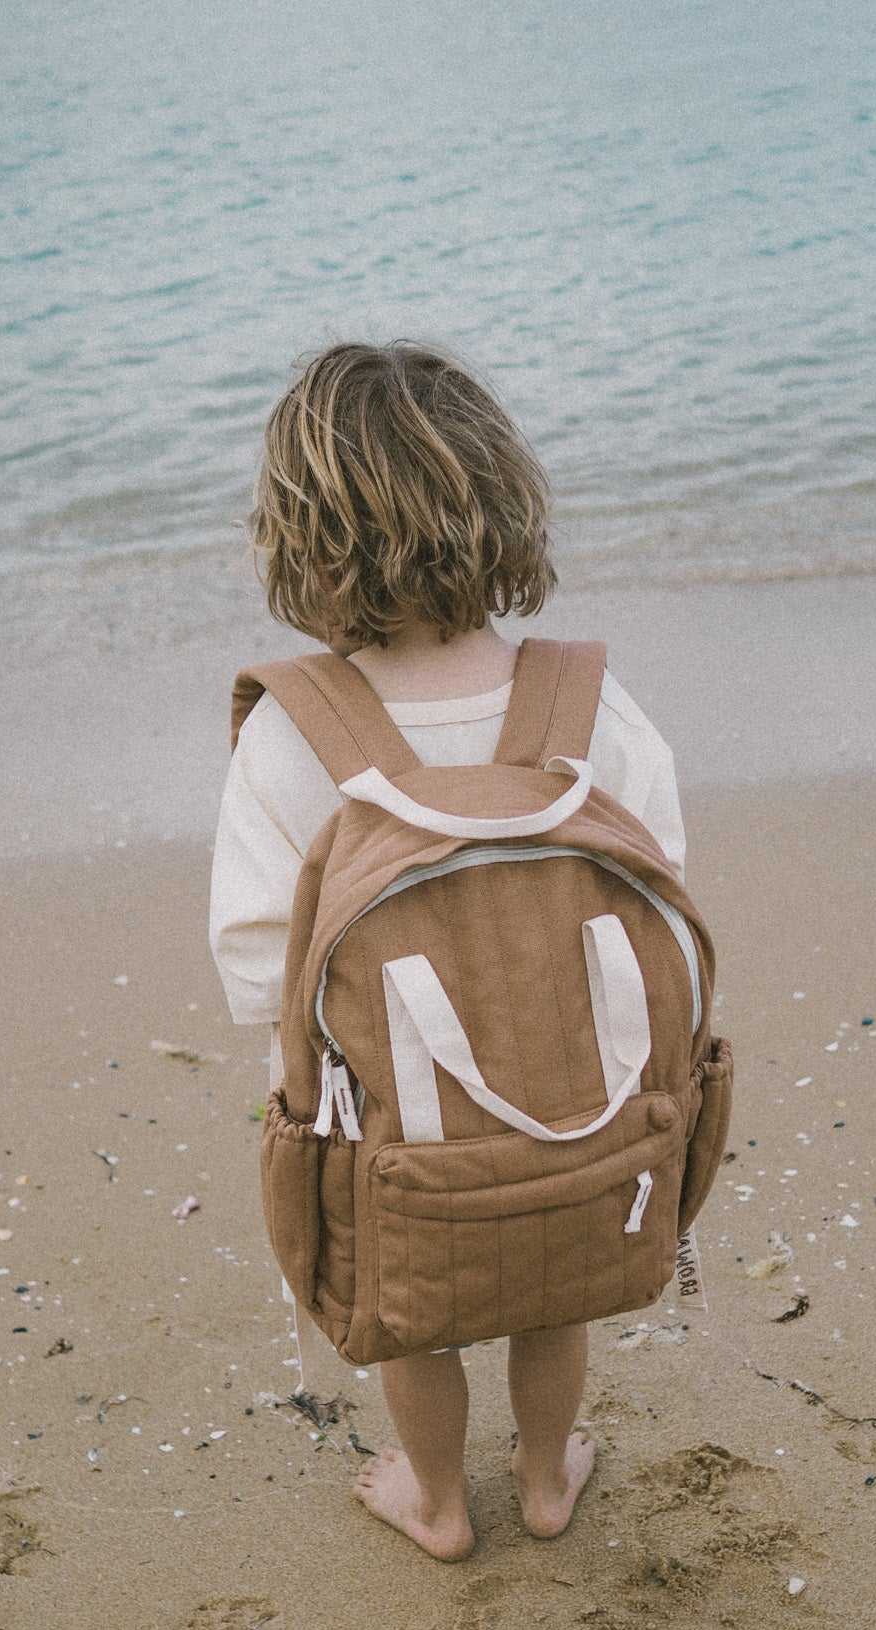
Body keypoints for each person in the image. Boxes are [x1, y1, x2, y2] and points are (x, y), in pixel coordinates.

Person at [209, 341, 687, 1561]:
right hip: (580, 1119)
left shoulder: (291, 740)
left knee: (411, 1317)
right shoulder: (592, 706)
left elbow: (259, 966)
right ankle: (544, 1474)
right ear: (501, 499)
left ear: (300, 538)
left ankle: (436, 1499)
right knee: (555, 1288)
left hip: (395, 1141)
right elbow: (664, 895)